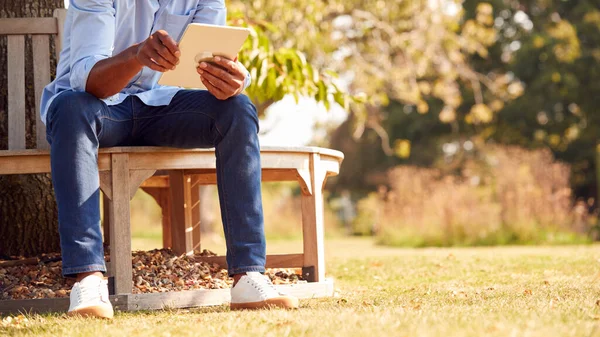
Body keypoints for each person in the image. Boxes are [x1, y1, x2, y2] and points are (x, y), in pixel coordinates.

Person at [41, 0, 298, 319]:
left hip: (163, 107)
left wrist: (230, 80)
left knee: (238, 109)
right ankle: (88, 279)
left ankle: (248, 275)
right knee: (69, 108)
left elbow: (207, 68)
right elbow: (90, 82)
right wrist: (136, 56)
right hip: (99, 108)